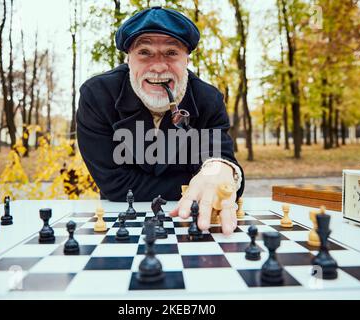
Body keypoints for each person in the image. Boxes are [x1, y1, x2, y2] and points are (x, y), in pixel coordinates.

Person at [77, 6, 244, 235]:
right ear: (129, 59)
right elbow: (114, 185)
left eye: (171, 53)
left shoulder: (208, 100)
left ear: (186, 58)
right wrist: (193, 183)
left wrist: (220, 170)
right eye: (144, 52)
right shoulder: (97, 96)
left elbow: (218, 160)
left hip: (189, 223)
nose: (158, 66)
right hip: (120, 219)